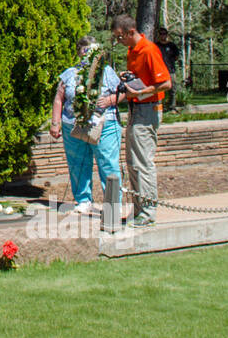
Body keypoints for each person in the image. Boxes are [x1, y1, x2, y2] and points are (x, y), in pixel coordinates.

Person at [51, 36, 124, 216]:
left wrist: (110, 100)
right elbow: (59, 98)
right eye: (85, 51)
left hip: (104, 124)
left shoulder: (107, 72)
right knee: (78, 164)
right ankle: (83, 200)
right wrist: (55, 123)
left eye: (92, 51)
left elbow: (122, 93)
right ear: (79, 52)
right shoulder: (69, 74)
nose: (88, 55)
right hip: (73, 125)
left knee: (107, 163)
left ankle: (113, 205)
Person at [111, 15, 173, 226]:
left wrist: (142, 92)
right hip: (136, 108)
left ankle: (147, 213)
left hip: (147, 110)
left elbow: (165, 83)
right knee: (132, 162)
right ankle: (139, 211)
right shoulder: (132, 51)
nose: (119, 42)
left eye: (120, 37)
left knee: (142, 162)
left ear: (130, 32)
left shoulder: (148, 50)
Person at [157, 27, 180, 109]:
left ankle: (172, 106)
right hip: (160, 71)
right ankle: (159, 107)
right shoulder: (156, 45)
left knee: (173, 89)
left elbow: (176, 56)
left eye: (164, 34)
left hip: (170, 70)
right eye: (161, 34)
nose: (163, 35)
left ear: (167, 35)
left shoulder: (172, 45)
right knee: (159, 89)